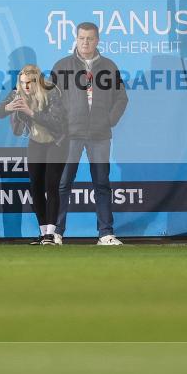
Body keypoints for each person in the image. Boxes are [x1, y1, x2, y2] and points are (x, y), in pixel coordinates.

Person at [51, 22, 129, 245]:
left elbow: (121, 98)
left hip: (100, 135)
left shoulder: (109, 66)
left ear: (98, 40)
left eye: (90, 38)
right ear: (76, 39)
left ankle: (105, 233)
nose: (86, 42)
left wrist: (108, 121)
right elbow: (52, 101)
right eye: (82, 38)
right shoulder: (61, 66)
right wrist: (61, 127)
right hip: (70, 135)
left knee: (102, 183)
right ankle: (56, 232)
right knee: (63, 182)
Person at [0, 64, 68, 245]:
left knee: (51, 186)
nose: (26, 86)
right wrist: (8, 107)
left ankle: (52, 234)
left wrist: (30, 112)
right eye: (22, 83)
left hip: (57, 142)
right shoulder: (19, 92)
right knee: (35, 187)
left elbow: (56, 123)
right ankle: (43, 233)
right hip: (36, 142)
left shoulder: (51, 90)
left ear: (38, 81)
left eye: (29, 82)